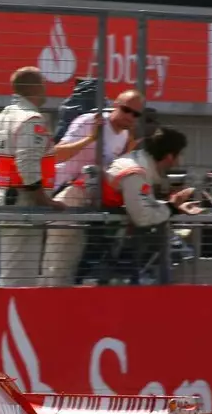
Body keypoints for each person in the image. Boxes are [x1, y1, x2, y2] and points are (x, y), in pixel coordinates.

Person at [40, 90, 146, 285]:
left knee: (72, 264)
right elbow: (56, 154)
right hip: (62, 192)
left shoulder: (125, 136)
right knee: (57, 265)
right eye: (126, 110)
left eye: (136, 114)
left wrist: (129, 150)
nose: (130, 117)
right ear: (115, 105)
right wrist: (89, 139)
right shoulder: (90, 121)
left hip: (89, 203)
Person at [0, 66, 67, 287]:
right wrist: (44, 200)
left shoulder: (4, 116)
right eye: (43, 84)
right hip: (25, 205)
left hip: (6, 198)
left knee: (12, 270)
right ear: (36, 87)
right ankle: (8, 317)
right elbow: (27, 163)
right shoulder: (31, 119)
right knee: (21, 277)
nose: (46, 90)